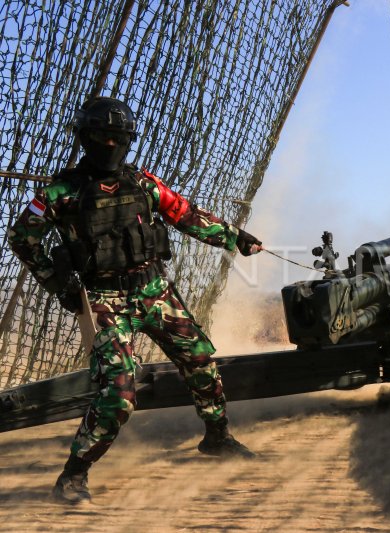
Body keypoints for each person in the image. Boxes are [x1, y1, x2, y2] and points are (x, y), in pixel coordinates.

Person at [8, 96, 264, 504]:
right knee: (119, 393)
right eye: (100, 136)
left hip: (153, 289)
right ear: (83, 137)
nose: (109, 144)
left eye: (117, 137)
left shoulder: (142, 182)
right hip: (104, 301)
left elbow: (185, 214)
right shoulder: (60, 192)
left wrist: (236, 238)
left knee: (199, 360)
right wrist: (60, 284)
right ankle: (72, 477)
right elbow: (22, 238)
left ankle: (218, 438)